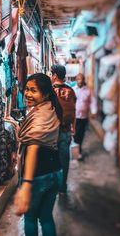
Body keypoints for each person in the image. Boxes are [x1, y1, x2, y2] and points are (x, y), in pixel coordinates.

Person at [5, 73, 62, 236]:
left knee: (30, 219)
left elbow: (32, 150)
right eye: (27, 89)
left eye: (33, 90)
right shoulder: (50, 108)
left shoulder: (39, 117)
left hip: (38, 176)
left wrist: (26, 185)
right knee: (45, 217)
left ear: (44, 94)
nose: (28, 94)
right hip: (55, 171)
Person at [50, 65, 76, 194]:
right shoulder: (70, 91)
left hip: (51, 132)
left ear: (54, 76)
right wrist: (73, 129)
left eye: (51, 74)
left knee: (52, 161)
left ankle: (53, 186)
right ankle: (62, 187)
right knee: (64, 161)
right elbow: (73, 111)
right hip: (66, 130)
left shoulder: (50, 91)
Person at [73, 73, 91, 160]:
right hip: (75, 116)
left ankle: (78, 150)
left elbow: (92, 102)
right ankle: (77, 151)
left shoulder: (87, 91)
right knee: (75, 134)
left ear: (83, 80)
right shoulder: (73, 90)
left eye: (81, 79)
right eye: (78, 79)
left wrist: (94, 111)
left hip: (84, 117)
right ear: (76, 80)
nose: (80, 81)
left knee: (81, 134)